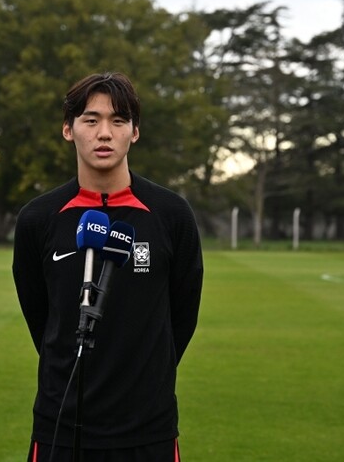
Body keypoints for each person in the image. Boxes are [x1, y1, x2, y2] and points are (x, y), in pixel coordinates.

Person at [12, 72, 203, 461]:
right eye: (91, 119)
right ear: (68, 129)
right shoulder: (38, 218)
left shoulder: (171, 215)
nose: (104, 133)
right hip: (60, 429)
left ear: (134, 132)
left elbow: (182, 317)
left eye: (118, 121)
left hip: (148, 431)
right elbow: (41, 318)